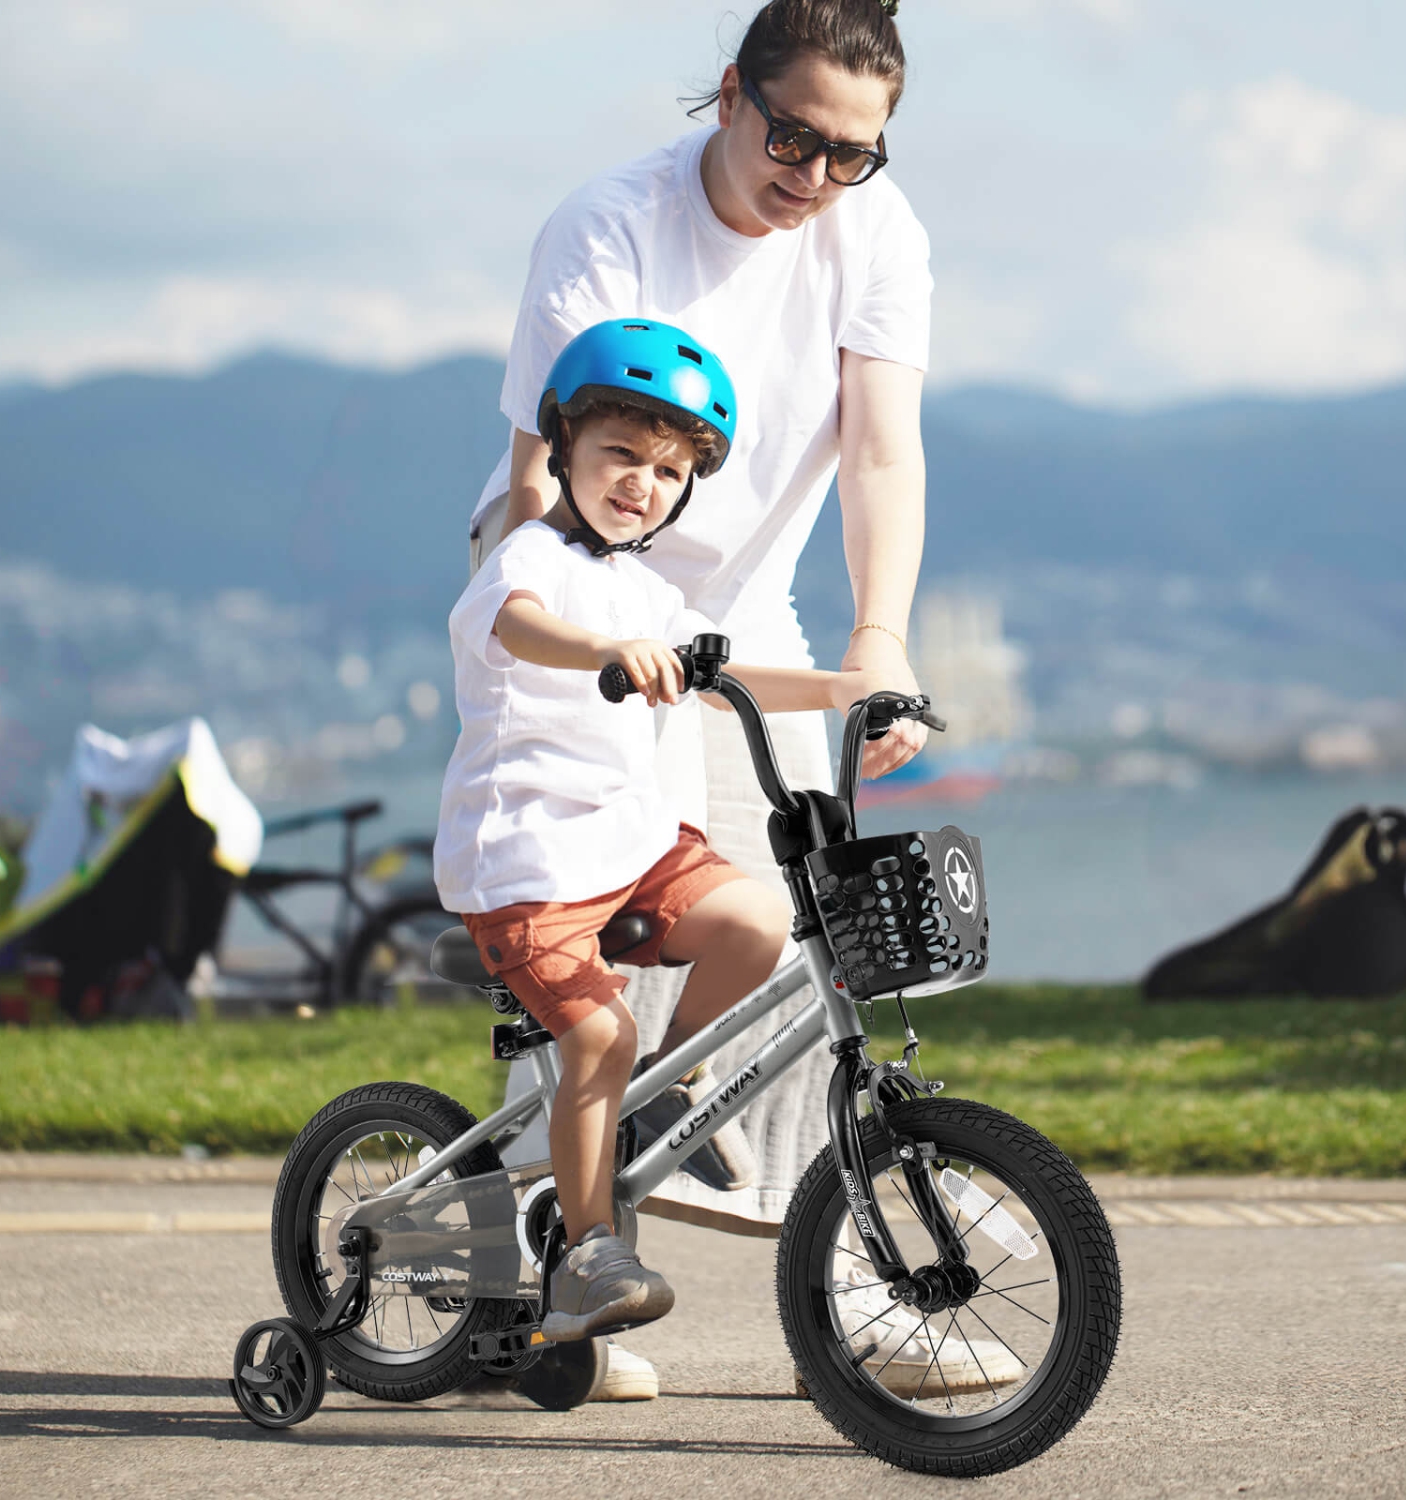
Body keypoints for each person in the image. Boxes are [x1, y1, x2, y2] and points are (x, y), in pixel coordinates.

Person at [469, 0, 931, 1389]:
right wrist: (550, 629)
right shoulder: (611, 222)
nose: (816, 174)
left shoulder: (875, 234)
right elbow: (545, 458)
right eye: (794, 135)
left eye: (856, 152)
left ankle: (858, 1289)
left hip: (738, 618)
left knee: (805, 942)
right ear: (730, 96)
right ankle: (527, 1277)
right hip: (580, 603)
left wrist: (883, 642)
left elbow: (883, 457)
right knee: (585, 951)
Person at [437, 320, 877, 1340]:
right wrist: (610, 650)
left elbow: (727, 680)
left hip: (632, 851)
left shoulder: (651, 590)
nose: (643, 482)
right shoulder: (524, 559)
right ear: (565, 452)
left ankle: (661, 1089)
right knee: (596, 1030)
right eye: (621, 455)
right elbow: (524, 628)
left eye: (670, 470)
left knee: (755, 921)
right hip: (527, 865)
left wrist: (849, 687)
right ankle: (590, 1252)